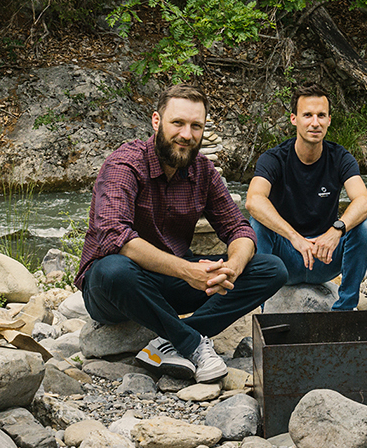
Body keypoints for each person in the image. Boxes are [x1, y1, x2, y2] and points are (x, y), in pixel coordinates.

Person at [74, 83, 288, 383]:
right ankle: (193, 344)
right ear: (156, 121)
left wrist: (232, 267)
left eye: (195, 126)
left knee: (271, 268)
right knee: (114, 268)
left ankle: (168, 341)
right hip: (113, 291)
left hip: (170, 283)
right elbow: (114, 235)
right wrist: (188, 270)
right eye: (178, 123)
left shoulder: (202, 171)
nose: (187, 135)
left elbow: (239, 228)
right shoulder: (124, 164)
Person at [245, 82, 367, 311]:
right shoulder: (274, 158)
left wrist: (337, 230)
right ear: (294, 119)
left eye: (321, 115)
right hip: (286, 261)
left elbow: (363, 201)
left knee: (365, 228)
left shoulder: (340, 157)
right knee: (257, 225)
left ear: (329, 120)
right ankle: (264, 311)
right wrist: (295, 238)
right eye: (307, 115)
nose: (315, 122)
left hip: (325, 256)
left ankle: (345, 310)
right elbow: (253, 200)